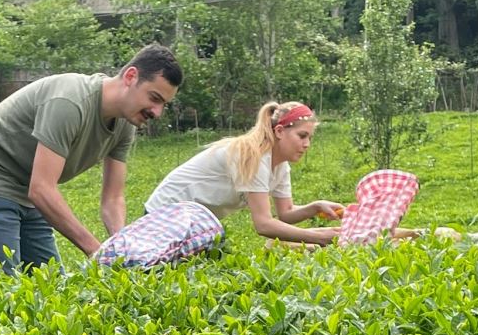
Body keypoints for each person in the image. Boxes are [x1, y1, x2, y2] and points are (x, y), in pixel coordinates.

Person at [0, 44, 183, 281]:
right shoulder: (70, 102)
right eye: (154, 98)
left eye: (163, 104)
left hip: (27, 186)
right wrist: (96, 250)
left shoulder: (125, 123)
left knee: (51, 283)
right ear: (130, 76)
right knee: (5, 287)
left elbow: (113, 198)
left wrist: (121, 250)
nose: (157, 112)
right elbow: (42, 189)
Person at [145, 101, 343, 247]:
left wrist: (316, 207)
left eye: (310, 137)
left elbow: (286, 213)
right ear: (280, 131)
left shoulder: (280, 164)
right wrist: (317, 237)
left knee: (276, 245)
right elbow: (264, 225)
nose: (307, 144)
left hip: (196, 227)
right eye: (302, 136)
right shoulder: (252, 155)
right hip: (163, 219)